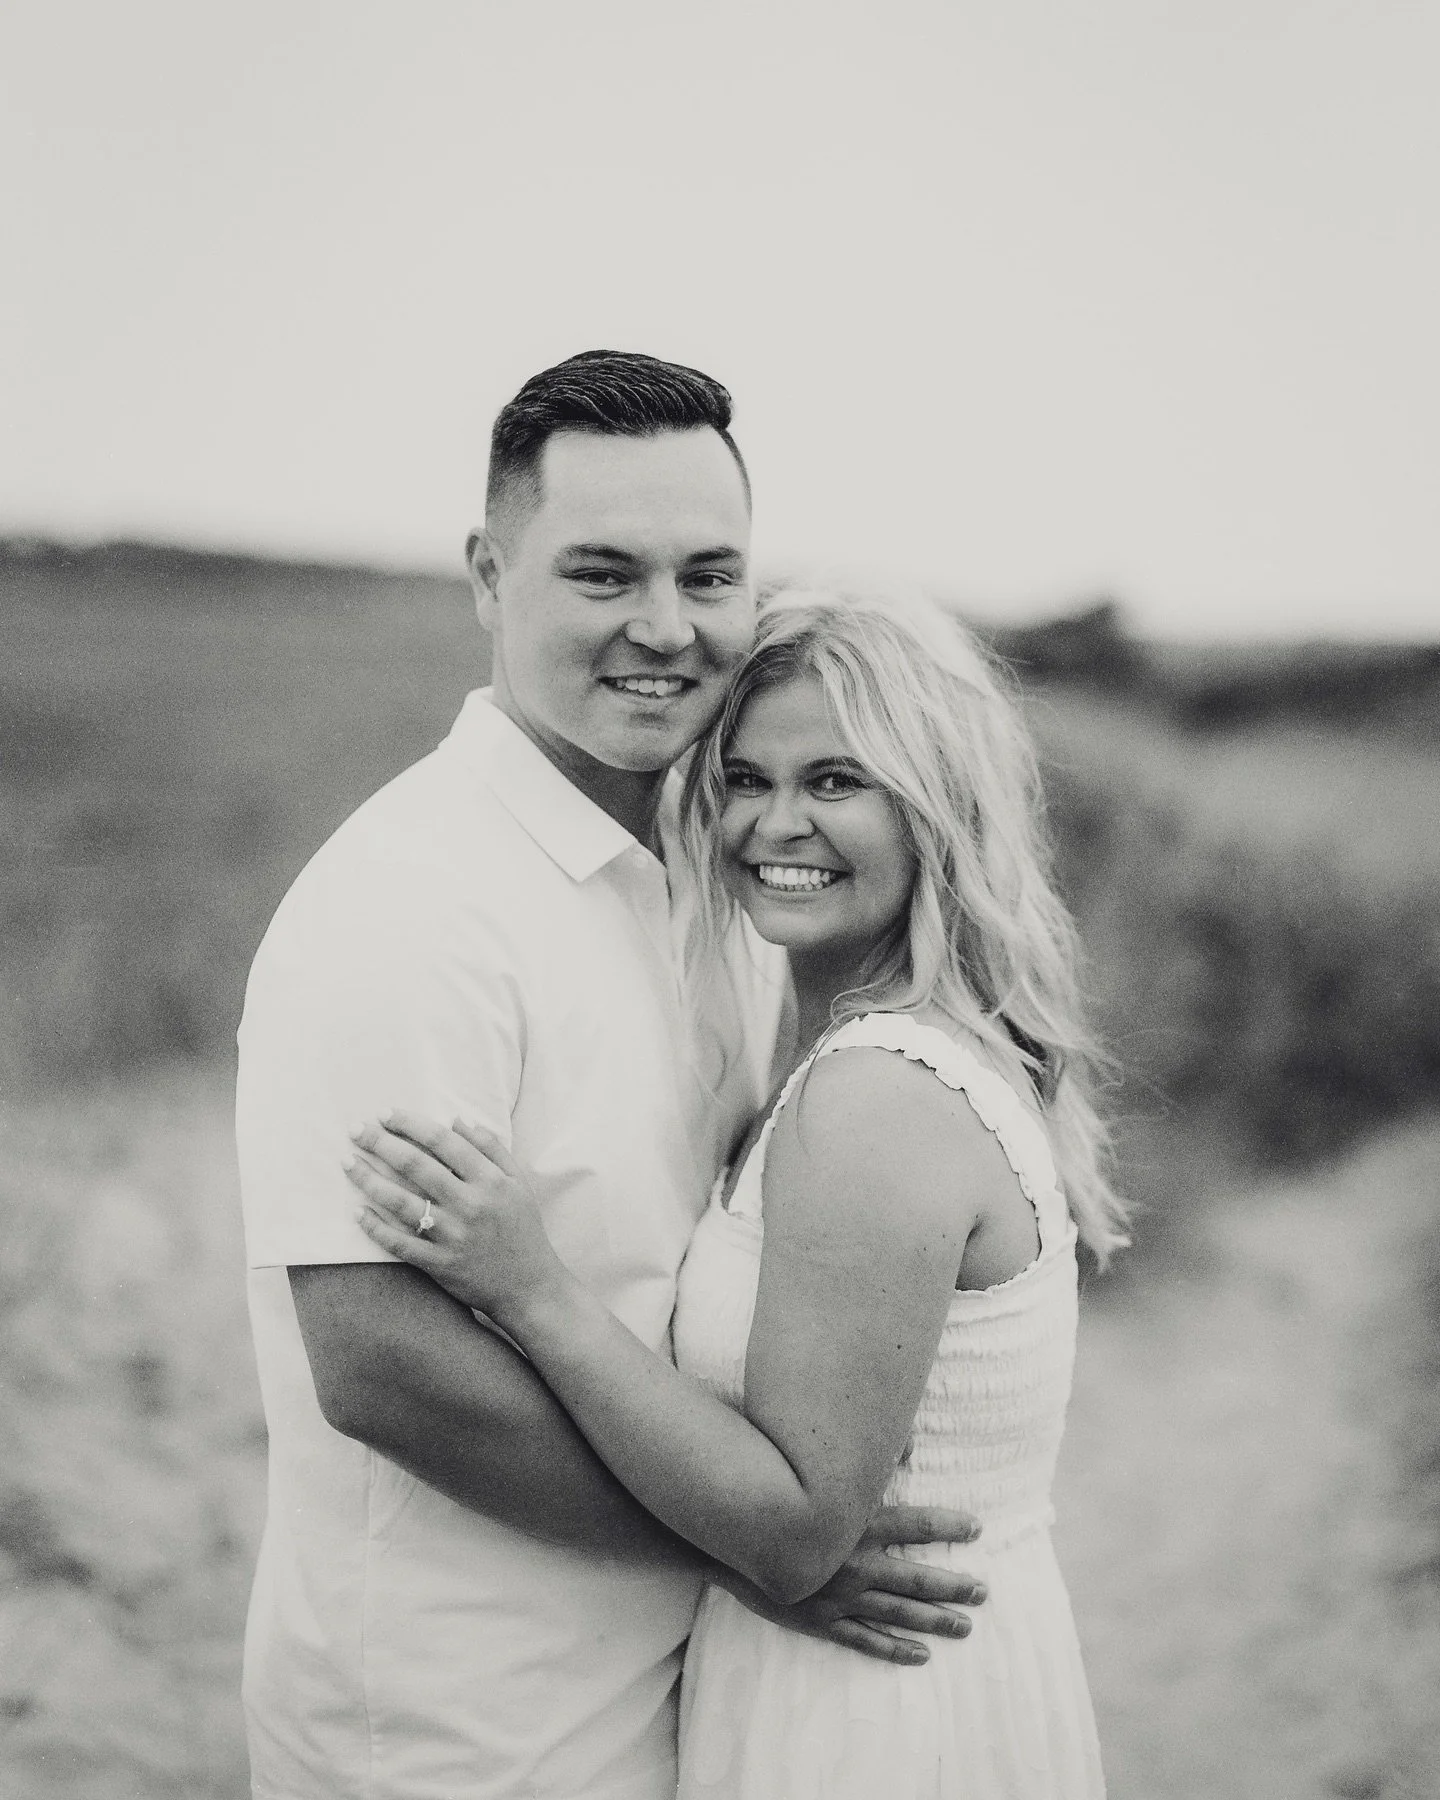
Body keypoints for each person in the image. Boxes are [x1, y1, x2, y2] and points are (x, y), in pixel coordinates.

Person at [235, 354, 989, 1800]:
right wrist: (759, 1552)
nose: (666, 627)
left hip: (674, 1692)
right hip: (464, 1727)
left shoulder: (721, 878)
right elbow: (382, 1369)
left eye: (710, 576)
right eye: (602, 574)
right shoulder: (408, 908)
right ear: (488, 575)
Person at [346, 584, 1128, 1798]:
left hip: (868, 1716)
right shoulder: (880, 1048)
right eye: (748, 780)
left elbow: (798, 1530)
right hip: (903, 1677)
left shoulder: (876, 1096)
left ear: (935, 808)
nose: (777, 824)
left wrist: (531, 1286)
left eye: (835, 781)